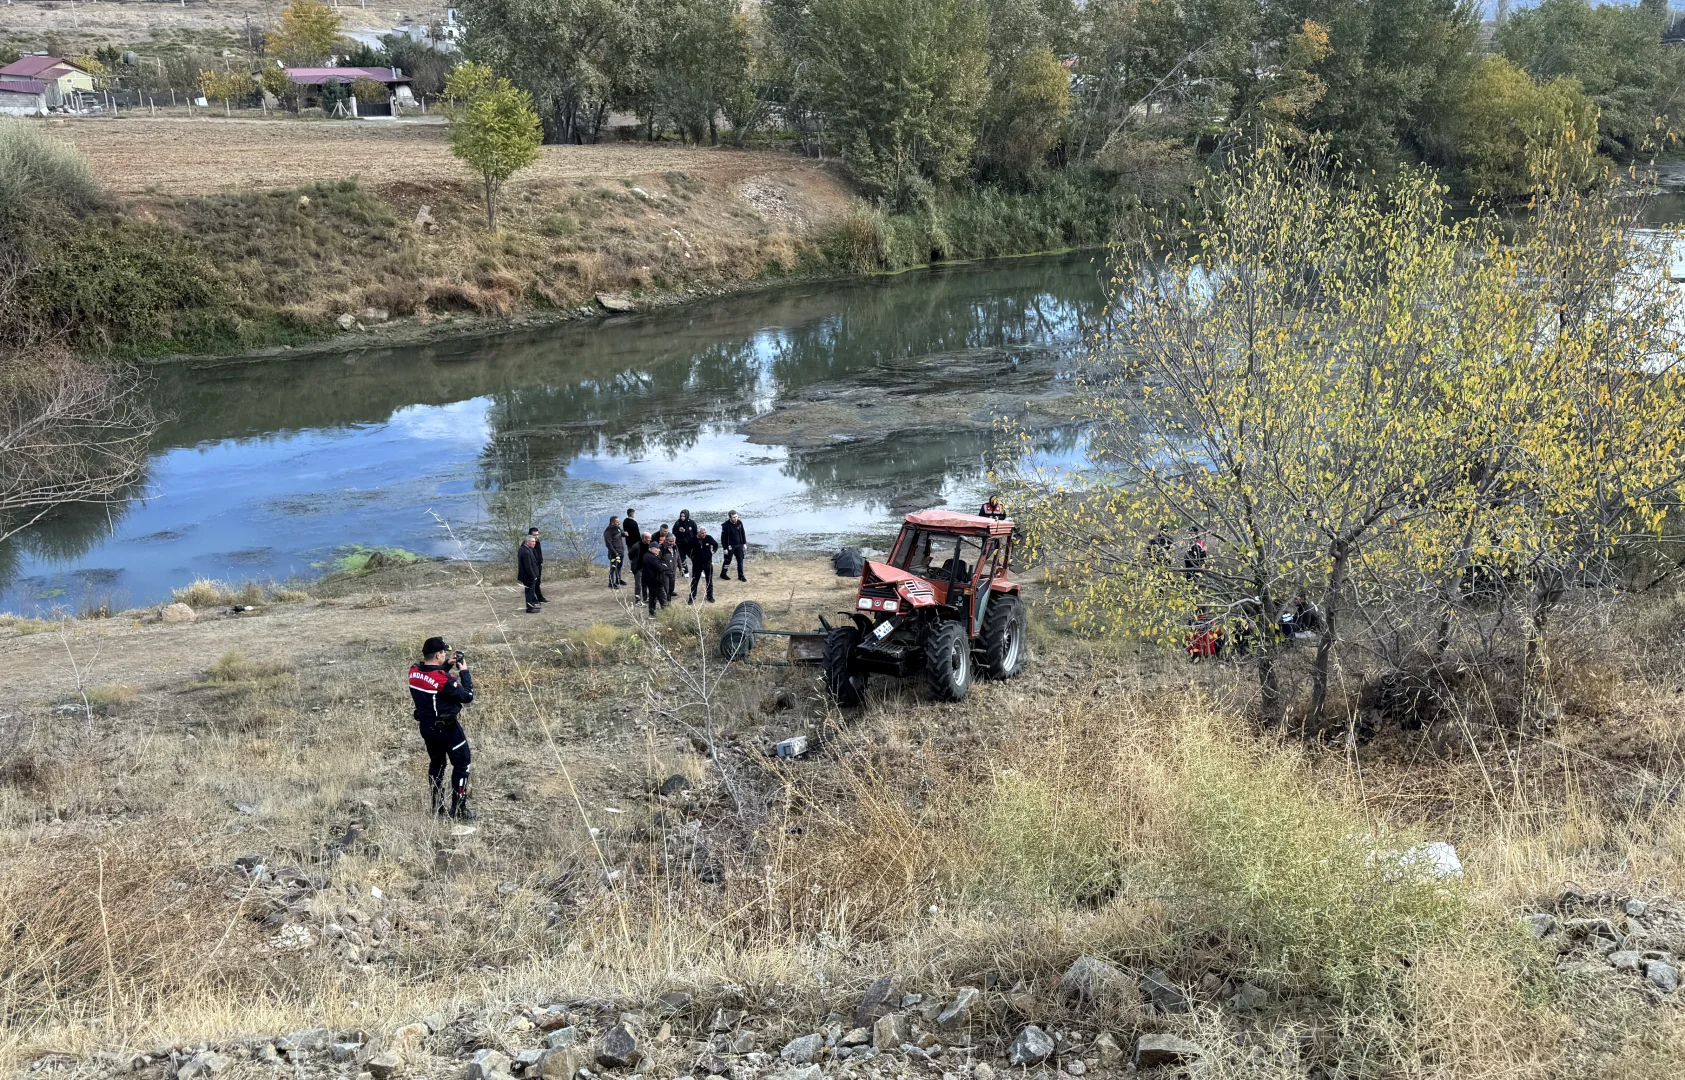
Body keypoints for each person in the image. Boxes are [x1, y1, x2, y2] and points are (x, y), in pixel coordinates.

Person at [408, 636, 476, 819]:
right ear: (438, 654)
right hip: (447, 730)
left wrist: (447, 664)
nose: (444, 655)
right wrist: (464, 672)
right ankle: (459, 808)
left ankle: (437, 807)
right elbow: (467, 695)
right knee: (462, 764)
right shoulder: (444, 680)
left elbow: (431, 676)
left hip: (427, 728)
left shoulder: (413, 671)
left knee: (437, 765)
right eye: (443, 653)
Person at [689, 526, 719, 604]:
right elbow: (687, 549)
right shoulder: (692, 540)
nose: (704, 534)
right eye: (702, 533)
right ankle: (692, 597)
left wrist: (713, 551)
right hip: (697, 564)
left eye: (705, 533)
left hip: (708, 563)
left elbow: (716, 544)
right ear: (698, 533)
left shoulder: (708, 538)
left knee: (709, 580)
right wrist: (692, 557)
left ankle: (710, 596)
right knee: (695, 581)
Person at [641, 540, 668, 616]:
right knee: (663, 599)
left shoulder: (647, 555)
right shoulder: (652, 558)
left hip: (651, 582)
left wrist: (660, 564)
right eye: (657, 548)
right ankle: (668, 615)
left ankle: (651, 614)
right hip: (657, 582)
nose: (659, 550)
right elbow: (660, 569)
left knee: (652, 598)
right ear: (652, 549)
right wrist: (663, 566)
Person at [517, 533, 543, 613]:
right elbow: (527, 566)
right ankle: (529, 608)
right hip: (528, 576)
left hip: (528, 576)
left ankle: (532, 605)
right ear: (527, 542)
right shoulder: (525, 552)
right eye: (532, 541)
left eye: (534, 541)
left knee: (530, 592)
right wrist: (533, 576)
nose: (534, 543)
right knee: (529, 593)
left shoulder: (526, 549)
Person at [720, 510, 747, 581]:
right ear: (730, 517)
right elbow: (723, 538)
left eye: (736, 517)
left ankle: (741, 576)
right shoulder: (726, 525)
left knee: (740, 560)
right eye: (734, 517)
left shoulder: (739, 523)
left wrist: (744, 543)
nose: (736, 518)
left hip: (739, 545)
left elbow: (742, 533)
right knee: (727, 560)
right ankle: (723, 574)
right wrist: (725, 548)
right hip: (730, 546)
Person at [604, 515, 627, 589]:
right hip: (614, 553)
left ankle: (618, 580)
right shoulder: (608, 531)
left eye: (619, 522)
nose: (619, 523)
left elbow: (621, 533)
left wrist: (625, 533)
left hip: (621, 551)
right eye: (617, 522)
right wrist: (615, 553)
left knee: (619, 567)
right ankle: (611, 583)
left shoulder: (617, 528)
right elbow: (608, 544)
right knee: (613, 568)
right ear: (612, 522)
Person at [526, 527, 548, 603]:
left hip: (538, 565)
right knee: (533, 582)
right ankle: (536, 598)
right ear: (530, 535)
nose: (536, 536)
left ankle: (538, 598)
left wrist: (540, 562)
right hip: (533, 566)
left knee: (537, 582)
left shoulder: (537, 542)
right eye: (534, 535)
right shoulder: (528, 544)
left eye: (537, 535)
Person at [673, 510, 698, 574]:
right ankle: (685, 571)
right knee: (682, 559)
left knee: (694, 557)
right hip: (680, 544)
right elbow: (674, 533)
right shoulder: (677, 523)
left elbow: (695, 533)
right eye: (681, 516)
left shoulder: (692, 523)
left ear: (687, 516)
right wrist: (679, 532)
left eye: (684, 516)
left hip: (689, 544)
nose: (682, 517)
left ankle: (698, 570)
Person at [628, 531, 650, 601]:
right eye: (648, 539)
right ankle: (637, 600)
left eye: (650, 539)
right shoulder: (636, 546)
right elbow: (630, 555)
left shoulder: (649, 545)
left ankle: (645, 598)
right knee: (638, 585)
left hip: (646, 569)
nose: (649, 540)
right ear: (643, 538)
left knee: (645, 584)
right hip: (638, 568)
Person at [658, 530, 679, 601]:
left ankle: (669, 596)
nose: (672, 543)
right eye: (670, 541)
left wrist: (681, 567)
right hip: (665, 572)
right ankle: (666, 602)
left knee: (671, 587)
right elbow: (657, 560)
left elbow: (678, 557)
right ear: (666, 540)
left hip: (673, 571)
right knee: (666, 588)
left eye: (673, 541)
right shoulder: (661, 549)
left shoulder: (675, 547)